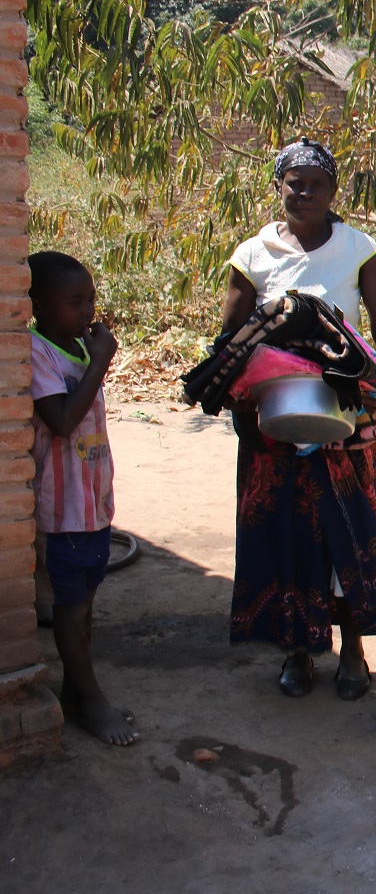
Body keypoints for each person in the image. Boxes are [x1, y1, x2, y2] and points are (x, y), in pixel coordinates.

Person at [220, 138, 376, 700]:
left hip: (343, 419)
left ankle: (352, 649)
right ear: (278, 186)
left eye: (315, 184)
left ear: (332, 192)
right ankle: (297, 651)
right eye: (293, 182)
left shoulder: (357, 248)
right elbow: (229, 341)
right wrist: (241, 403)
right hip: (273, 423)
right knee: (286, 535)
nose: (304, 192)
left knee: (344, 533)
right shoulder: (253, 255)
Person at [27, 251, 136, 746]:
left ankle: (76, 690)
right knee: (70, 608)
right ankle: (90, 698)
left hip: (92, 505)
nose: (87, 311)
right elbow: (62, 420)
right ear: (38, 307)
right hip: (61, 509)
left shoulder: (75, 350)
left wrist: (93, 361)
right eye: (75, 302)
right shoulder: (37, 353)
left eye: (90, 299)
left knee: (85, 600)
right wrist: (100, 363)